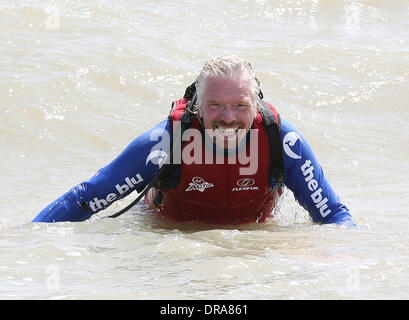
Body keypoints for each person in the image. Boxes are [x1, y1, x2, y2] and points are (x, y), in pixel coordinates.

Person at [32, 56, 354, 226]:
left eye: (240, 105)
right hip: (171, 243)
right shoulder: (165, 143)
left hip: (252, 254)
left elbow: (333, 215)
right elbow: (85, 199)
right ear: (198, 106)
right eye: (216, 105)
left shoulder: (282, 143)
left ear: (255, 106)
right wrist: (25, 242)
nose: (228, 117)